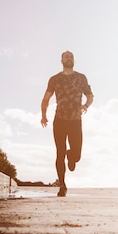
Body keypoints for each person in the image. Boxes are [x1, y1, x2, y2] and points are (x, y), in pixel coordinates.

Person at [41, 50, 94, 197]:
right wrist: (44, 115)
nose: (69, 59)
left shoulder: (81, 78)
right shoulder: (55, 79)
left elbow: (90, 96)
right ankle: (62, 185)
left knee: (76, 155)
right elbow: (46, 99)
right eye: (66, 57)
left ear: (74, 61)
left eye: (71, 57)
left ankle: (72, 156)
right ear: (61, 61)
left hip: (75, 121)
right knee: (59, 153)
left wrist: (86, 105)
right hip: (60, 120)